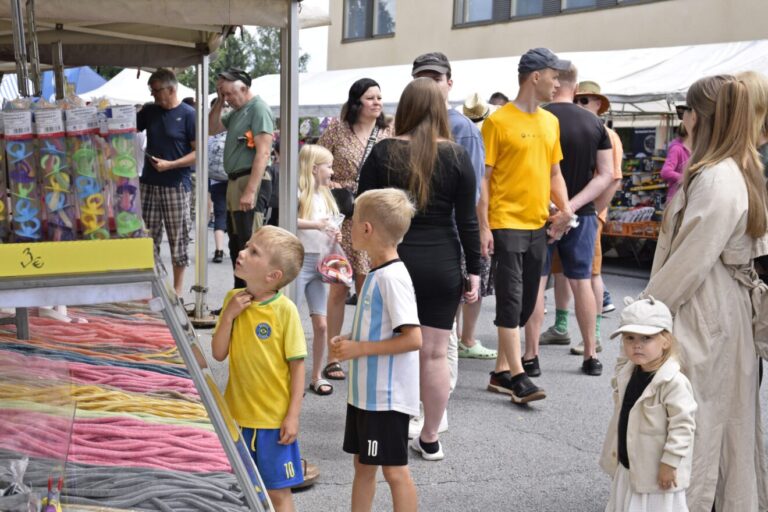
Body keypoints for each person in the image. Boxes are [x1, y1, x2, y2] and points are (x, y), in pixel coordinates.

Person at [640, 74, 768, 511]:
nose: (684, 120)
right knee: (721, 425)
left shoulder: (715, 177)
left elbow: (689, 260)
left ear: (698, 117)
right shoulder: (734, 169)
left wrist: (646, 315)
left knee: (695, 426)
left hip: (706, 310)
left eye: (687, 111)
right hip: (720, 308)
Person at [357, 77, 480, 460]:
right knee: (435, 355)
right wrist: (474, 270)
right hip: (443, 261)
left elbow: (362, 206)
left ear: (405, 108)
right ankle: (430, 437)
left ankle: (388, 429)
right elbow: (469, 221)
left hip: (394, 260)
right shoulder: (457, 156)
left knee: (390, 349)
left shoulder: (384, 151)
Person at [478, 48, 576, 403]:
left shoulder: (550, 122)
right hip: (506, 222)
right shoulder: (497, 122)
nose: (558, 83)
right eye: (554, 76)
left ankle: (500, 373)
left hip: (538, 223)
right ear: (536, 76)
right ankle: (518, 377)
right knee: (511, 299)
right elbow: (483, 178)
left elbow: (554, 173)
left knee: (525, 303)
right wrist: (484, 226)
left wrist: (565, 210)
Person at [408, 53, 493, 440]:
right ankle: (424, 412)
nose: (429, 84)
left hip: (447, 241)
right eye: (422, 77)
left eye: (435, 77)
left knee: (438, 339)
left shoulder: (463, 131)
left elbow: (470, 199)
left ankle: (435, 411)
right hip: (418, 245)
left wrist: (471, 254)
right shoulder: (406, 131)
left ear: (449, 83)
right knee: (421, 337)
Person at [330, 188, 421, 512]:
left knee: (394, 471)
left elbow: (413, 338)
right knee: (363, 464)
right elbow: (380, 326)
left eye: (352, 221)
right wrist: (350, 340)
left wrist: (359, 348)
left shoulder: (392, 277)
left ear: (366, 229)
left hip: (385, 397)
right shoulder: (376, 273)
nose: (348, 227)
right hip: (367, 396)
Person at [523, 65, 613, 378]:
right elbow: (606, 175)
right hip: (582, 214)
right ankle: (591, 355)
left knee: (536, 282)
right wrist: (571, 208)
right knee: (582, 282)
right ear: (575, 88)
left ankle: (531, 355)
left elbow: (525, 171)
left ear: (554, 82)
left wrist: (558, 208)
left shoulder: (537, 117)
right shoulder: (595, 123)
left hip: (540, 212)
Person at [211, 225, 307, 512]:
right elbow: (218, 353)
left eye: (254, 252)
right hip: (236, 418)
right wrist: (228, 316)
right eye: (247, 246)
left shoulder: (285, 310)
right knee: (240, 489)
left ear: (272, 276)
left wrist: (292, 416)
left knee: (278, 492)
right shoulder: (232, 300)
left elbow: (298, 367)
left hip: (273, 423)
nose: (242, 252)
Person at [540, 80, 623, 355]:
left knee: (589, 275)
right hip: (562, 213)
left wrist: (591, 212)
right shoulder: (560, 122)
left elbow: (612, 178)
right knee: (560, 273)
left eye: (585, 100)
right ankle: (561, 326)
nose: (579, 104)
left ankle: (593, 337)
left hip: (585, 214)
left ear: (599, 103)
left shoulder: (606, 133)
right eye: (578, 99)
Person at [318, 78, 391, 381]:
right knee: (338, 288)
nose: (377, 103)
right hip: (344, 217)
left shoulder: (388, 131)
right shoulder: (337, 130)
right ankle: (333, 356)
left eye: (379, 97)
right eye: (371, 98)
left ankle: (363, 353)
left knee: (368, 290)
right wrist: (335, 186)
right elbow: (314, 165)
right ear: (357, 101)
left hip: (375, 219)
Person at [600, 297, 696, 512]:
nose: (637, 345)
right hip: (629, 465)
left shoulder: (673, 382)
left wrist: (670, 463)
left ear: (666, 341)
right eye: (629, 338)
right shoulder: (628, 372)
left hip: (657, 472)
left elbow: (683, 426)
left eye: (646, 338)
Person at [209, 68, 275, 289]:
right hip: (235, 180)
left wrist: (250, 191)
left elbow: (263, 153)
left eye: (229, 93)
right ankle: (240, 293)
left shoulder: (258, 108)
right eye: (223, 94)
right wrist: (219, 101)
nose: (227, 98)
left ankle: (256, 294)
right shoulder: (237, 111)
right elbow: (211, 128)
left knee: (250, 242)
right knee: (236, 243)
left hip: (250, 180)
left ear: (244, 89)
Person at [137, 68, 196, 298]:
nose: (153, 95)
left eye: (156, 91)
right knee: (147, 238)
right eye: (151, 91)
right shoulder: (149, 111)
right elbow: (127, 127)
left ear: (171, 89)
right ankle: (152, 286)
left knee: (178, 237)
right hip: (148, 183)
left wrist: (171, 165)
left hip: (175, 185)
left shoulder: (189, 114)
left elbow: (198, 152)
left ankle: (177, 291)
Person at [296, 144, 341, 397]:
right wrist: (317, 225)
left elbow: (331, 224)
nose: (332, 171)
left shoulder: (326, 195)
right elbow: (288, 219)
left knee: (321, 325)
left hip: (321, 263)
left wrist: (335, 232)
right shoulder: (298, 192)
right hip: (299, 262)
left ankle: (316, 375)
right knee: (290, 320)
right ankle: (287, 376)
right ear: (314, 169)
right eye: (329, 166)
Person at [208, 99, 229, 264]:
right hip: (234, 178)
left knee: (220, 214)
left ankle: (219, 250)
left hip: (215, 179)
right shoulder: (234, 129)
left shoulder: (209, 132)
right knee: (235, 215)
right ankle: (238, 247)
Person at [660, 119, 691, 202]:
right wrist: (684, 178)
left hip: (686, 196)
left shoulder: (693, 149)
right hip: (676, 199)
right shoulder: (676, 149)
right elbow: (665, 172)